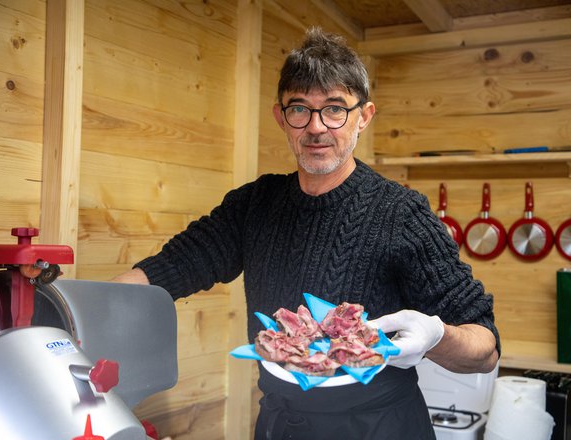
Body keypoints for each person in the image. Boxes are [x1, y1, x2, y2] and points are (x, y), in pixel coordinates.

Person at [114, 27, 500, 440]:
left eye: (335, 109)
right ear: (281, 117)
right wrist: (79, 304)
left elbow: (485, 349)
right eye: (300, 109)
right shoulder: (255, 204)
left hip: (380, 427)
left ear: (363, 116)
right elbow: (171, 268)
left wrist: (435, 337)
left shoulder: (401, 214)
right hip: (282, 423)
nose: (316, 127)